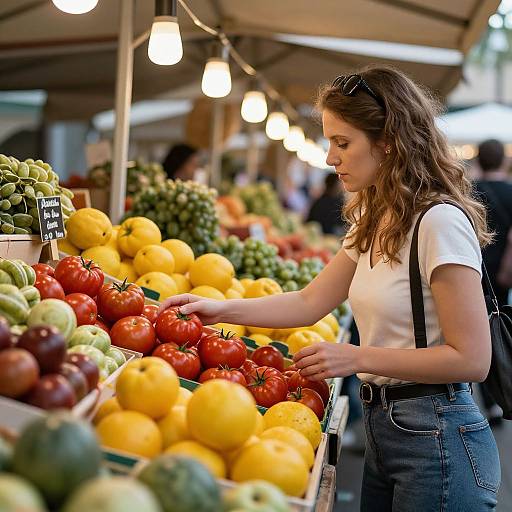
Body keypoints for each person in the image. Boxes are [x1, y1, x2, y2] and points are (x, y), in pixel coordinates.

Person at [160, 66, 500, 511]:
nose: (329, 158)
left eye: (343, 143)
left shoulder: (439, 222)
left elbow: (472, 359)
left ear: (389, 143)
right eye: (330, 142)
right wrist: (219, 309)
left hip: (438, 437)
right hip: (387, 428)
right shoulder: (375, 220)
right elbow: (308, 302)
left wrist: (357, 357)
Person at [474, 139, 512, 307]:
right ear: (504, 160)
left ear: (478, 161)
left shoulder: (468, 191)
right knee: (501, 317)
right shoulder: (510, 191)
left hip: (474, 265)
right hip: (502, 268)